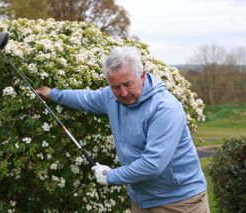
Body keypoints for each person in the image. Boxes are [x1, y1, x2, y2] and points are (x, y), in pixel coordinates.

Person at [36, 46, 210, 213]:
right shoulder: (111, 97)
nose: (124, 93)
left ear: (142, 76)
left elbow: (152, 165)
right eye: (116, 87)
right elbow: (85, 98)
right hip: (141, 201)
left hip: (180, 202)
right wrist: (53, 94)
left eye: (128, 84)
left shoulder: (164, 108)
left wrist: (110, 176)